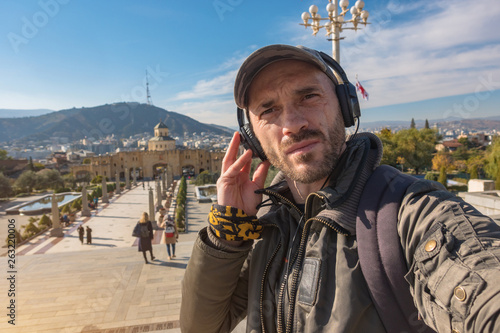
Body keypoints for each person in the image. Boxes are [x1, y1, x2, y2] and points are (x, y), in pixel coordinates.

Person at [180, 44, 500, 332]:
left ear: (347, 108)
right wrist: (228, 230)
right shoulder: (267, 224)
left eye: (308, 96)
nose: (292, 124)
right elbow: (203, 327)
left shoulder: (408, 212)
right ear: (252, 137)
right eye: (268, 110)